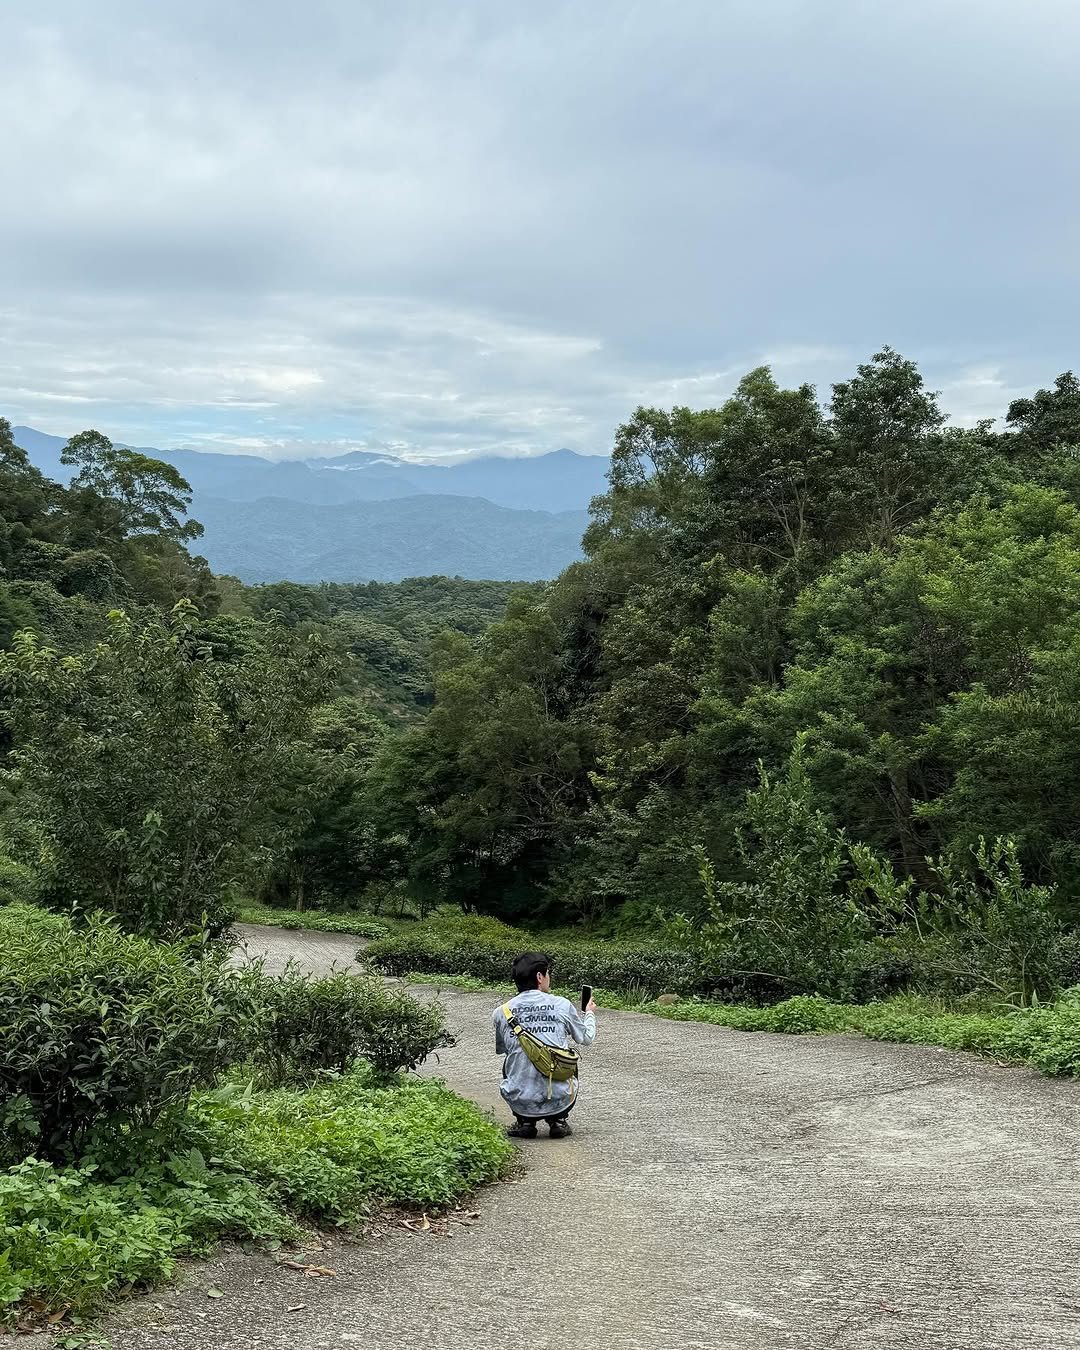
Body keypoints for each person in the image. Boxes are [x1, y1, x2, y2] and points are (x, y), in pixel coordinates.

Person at [492, 951, 597, 1139]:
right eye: (547, 974)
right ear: (540, 977)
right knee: (566, 1058)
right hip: (559, 1098)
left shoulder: (501, 1012)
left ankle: (525, 1122)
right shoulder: (561, 1005)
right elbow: (586, 1038)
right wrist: (589, 1013)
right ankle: (558, 1120)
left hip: (519, 1100)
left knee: (511, 1060)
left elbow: (504, 1050)